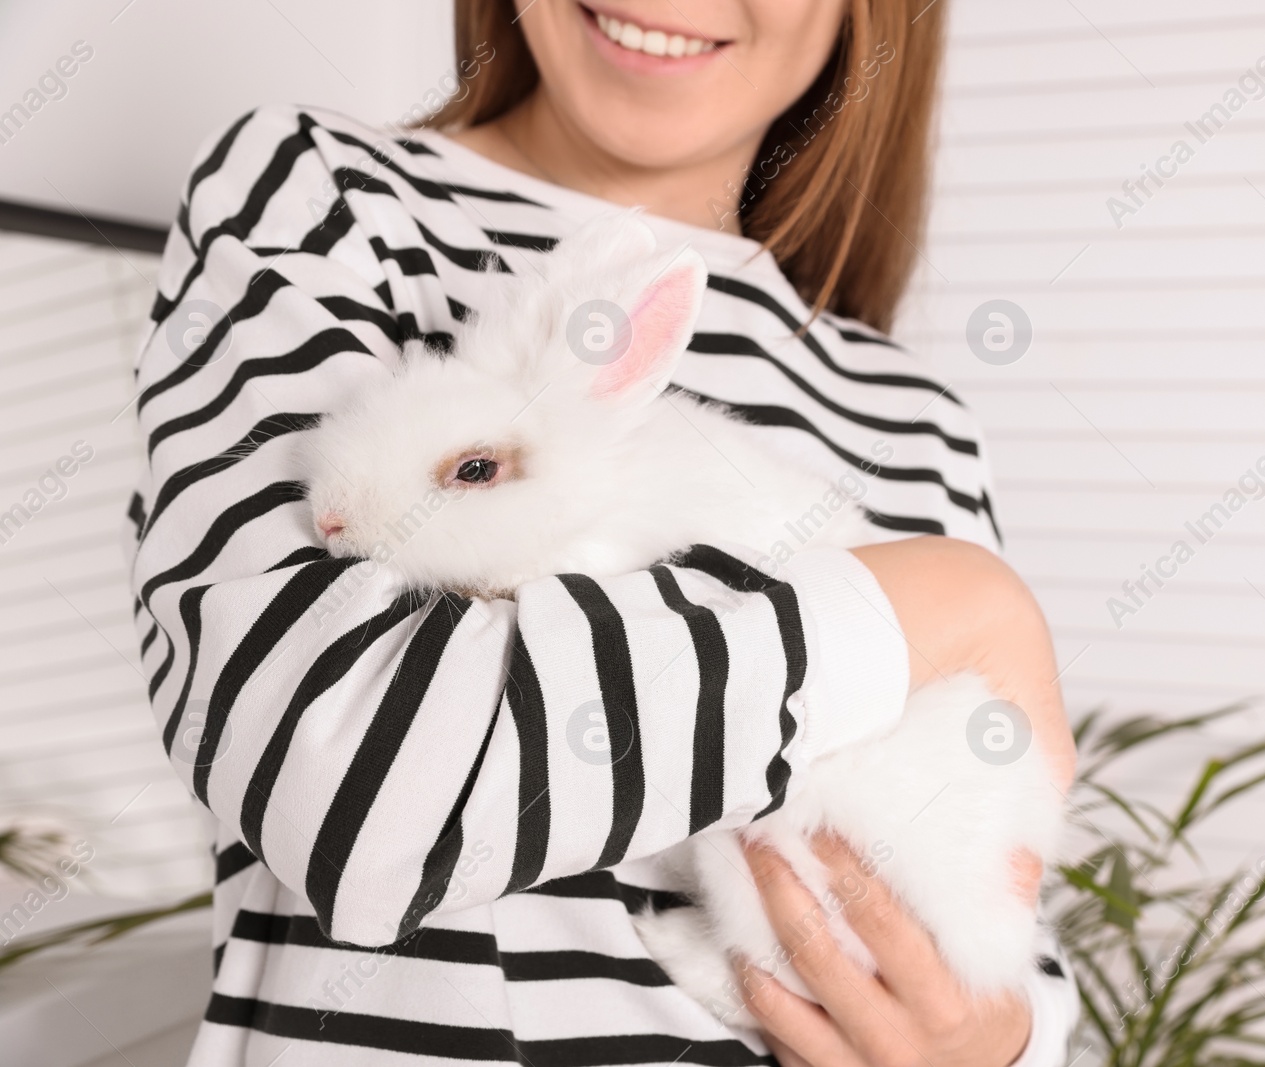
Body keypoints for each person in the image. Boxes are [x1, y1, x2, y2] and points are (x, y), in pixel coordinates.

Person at [129, 1, 1078, 1063]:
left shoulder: (911, 413)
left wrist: (1005, 1043)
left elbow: (1001, 913)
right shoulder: (322, 201)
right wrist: (950, 603)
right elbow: (353, 793)